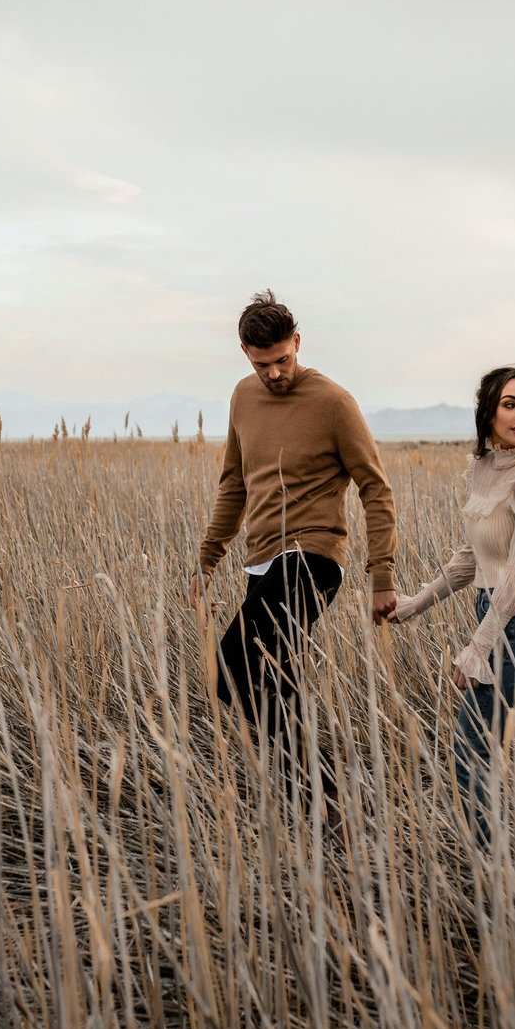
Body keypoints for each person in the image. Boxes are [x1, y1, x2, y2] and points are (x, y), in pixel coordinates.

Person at [376, 365, 515, 849]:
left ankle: (490, 863)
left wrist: (479, 647)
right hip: (504, 614)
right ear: (488, 412)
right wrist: (418, 602)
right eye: (510, 404)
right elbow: (475, 556)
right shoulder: (486, 468)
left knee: (471, 745)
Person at [190, 291, 399, 808]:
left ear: (298, 343)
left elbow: (376, 488)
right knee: (273, 683)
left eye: (283, 359)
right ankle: (321, 802)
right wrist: (208, 557)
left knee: (228, 668)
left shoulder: (334, 403)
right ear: (244, 352)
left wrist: (382, 576)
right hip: (262, 561)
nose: (275, 373)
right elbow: (234, 483)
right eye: (263, 364)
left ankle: (321, 791)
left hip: (313, 557)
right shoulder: (243, 396)